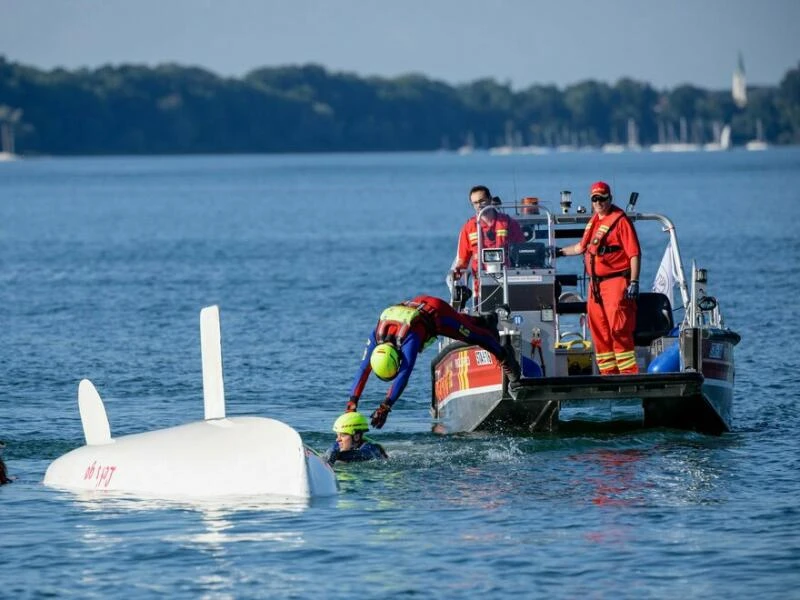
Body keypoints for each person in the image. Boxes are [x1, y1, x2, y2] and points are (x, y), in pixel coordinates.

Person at [345, 295, 521, 429]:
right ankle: (485, 320)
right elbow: (363, 369)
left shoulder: (409, 339)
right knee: (467, 324)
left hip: (437, 314)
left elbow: (404, 375)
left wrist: (385, 406)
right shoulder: (376, 336)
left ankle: (504, 354)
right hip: (419, 304)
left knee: (473, 335)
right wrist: (352, 402)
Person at [555, 181, 641, 375]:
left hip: (616, 282)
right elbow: (580, 248)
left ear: (609, 198)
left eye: (602, 198)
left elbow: (634, 254)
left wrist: (634, 282)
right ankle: (608, 374)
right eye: (595, 199)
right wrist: (558, 252)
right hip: (595, 286)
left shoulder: (620, 221)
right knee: (599, 331)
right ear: (591, 201)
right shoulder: (594, 221)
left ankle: (628, 375)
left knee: (619, 329)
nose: (599, 202)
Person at [449, 185, 526, 290]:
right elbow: (463, 260)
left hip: (509, 281)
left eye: (482, 201)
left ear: (490, 199)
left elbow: (523, 253)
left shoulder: (509, 223)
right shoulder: (469, 227)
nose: (479, 205)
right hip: (480, 285)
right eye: (475, 203)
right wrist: (457, 271)